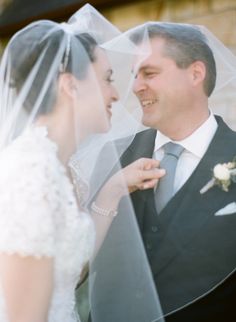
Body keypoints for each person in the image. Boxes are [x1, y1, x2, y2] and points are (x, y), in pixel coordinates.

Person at [0, 6, 165, 322]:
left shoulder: (62, 168)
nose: (116, 94)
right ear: (70, 85)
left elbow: (66, 271)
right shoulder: (29, 176)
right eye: (107, 79)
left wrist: (113, 189)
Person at [89, 22, 236, 322]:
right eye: (135, 75)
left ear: (196, 73)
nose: (135, 86)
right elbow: (83, 256)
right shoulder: (114, 155)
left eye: (149, 73)